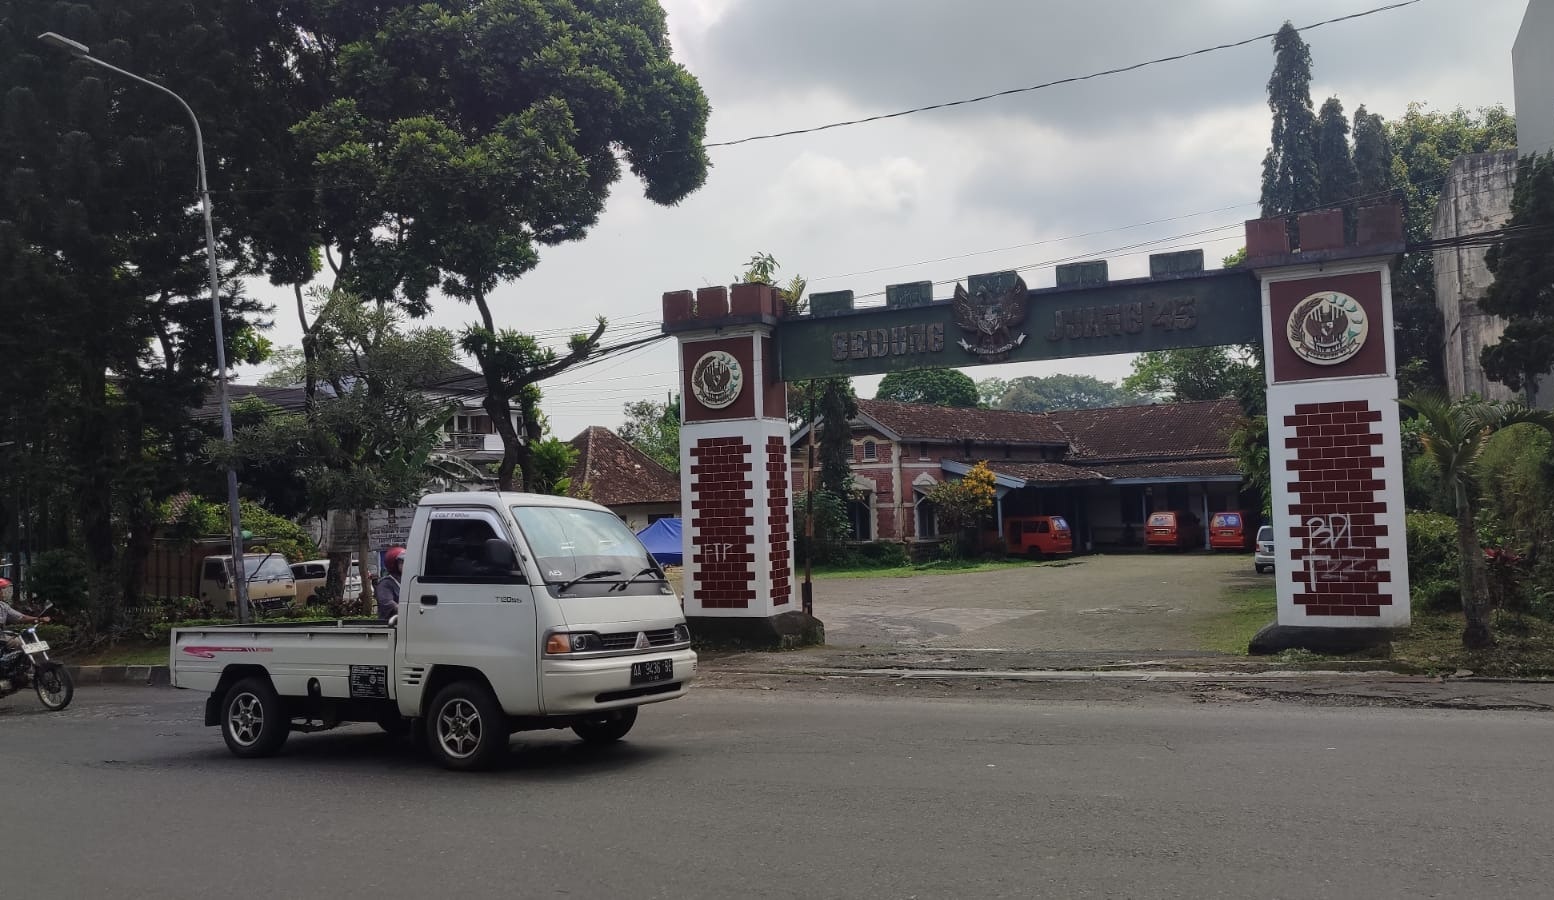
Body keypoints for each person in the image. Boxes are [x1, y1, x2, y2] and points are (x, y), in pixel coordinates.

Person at [0, 578, 50, 654]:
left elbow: (21, 617)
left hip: (2, 637)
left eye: (1, 590)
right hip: (2, 638)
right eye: (0, 590)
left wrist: (39, 619)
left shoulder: (3, 606)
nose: (2, 592)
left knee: (25, 642)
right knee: (19, 643)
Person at [376, 547, 405, 623]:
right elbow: (387, 603)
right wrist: (406, 611)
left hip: (404, 622)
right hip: (389, 624)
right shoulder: (385, 583)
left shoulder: (406, 581)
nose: (406, 565)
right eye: (402, 562)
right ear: (394, 564)